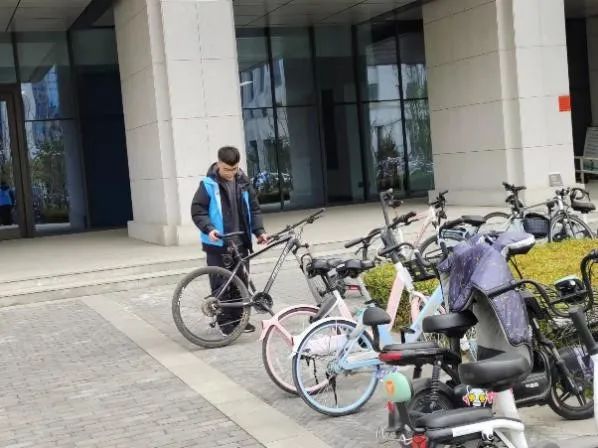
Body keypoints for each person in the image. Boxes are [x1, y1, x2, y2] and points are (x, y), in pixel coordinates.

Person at [191, 146, 269, 334]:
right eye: (227, 169)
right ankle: (225, 323)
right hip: (218, 243)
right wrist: (209, 228)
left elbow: (254, 209)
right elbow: (198, 211)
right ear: (218, 164)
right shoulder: (208, 185)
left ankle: (240, 320)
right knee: (221, 285)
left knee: (240, 283)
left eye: (234, 169)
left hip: (241, 242)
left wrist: (259, 231)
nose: (230, 173)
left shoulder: (243, 182)